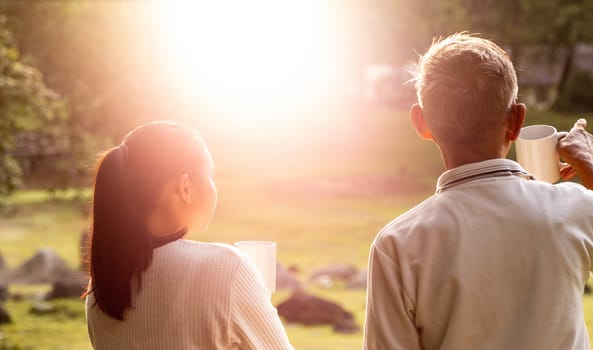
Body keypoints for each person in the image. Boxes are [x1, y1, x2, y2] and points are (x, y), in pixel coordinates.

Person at [363, 33, 593, 350]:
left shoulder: (397, 244)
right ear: (517, 121)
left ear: (420, 122)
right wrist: (589, 166)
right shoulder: (577, 208)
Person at [84, 121, 293, 349]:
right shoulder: (226, 268)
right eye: (210, 176)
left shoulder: (103, 289)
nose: (214, 187)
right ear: (185, 187)